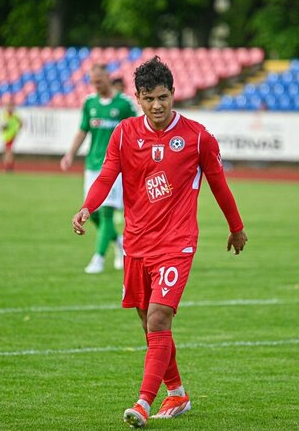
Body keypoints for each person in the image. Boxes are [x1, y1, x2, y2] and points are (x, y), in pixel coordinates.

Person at [71, 56, 247, 428]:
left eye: (163, 97)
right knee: (149, 324)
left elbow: (219, 185)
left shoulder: (198, 136)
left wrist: (236, 227)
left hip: (177, 242)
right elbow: (106, 177)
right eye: (149, 99)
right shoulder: (124, 133)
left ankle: (143, 403)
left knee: (158, 318)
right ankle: (177, 392)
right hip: (136, 243)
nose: (157, 106)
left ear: (173, 94)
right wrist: (87, 207)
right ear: (137, 97)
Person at [61, 64, 137, 274]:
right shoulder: (89, 103)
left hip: (115, 167)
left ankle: (99, 258)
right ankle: (119, 241)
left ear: (108, 78)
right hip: (92, 165)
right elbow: (82, 130)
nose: (97, 85)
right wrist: (70, 154)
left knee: (105, 212)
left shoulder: (124, 103)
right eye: (93, 82)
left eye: (100, 81)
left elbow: (136, 132)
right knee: (89, 211)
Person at [0, 99, 22, 172]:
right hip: (6, 136)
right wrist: (4, 127)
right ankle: (9, 167)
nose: (10, 108)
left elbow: (21, 123)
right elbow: (2, 127)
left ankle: (8, 167)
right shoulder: (4, 115)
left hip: (11, 136)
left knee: (8, 152)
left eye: (11, 106)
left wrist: (16, 131)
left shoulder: (15, 116)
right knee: (8, 152)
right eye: (8, 106)